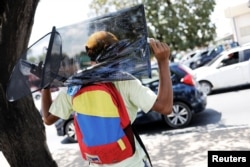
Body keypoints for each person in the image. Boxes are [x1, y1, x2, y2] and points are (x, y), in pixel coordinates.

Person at [41, 31, 173, 167]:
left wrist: (45, 86)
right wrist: (163, 61)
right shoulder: (123, 80)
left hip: (96, 161)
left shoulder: (75, 84)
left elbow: (48, 118)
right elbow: (165, 107)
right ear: (114, 52)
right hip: (131, 162)